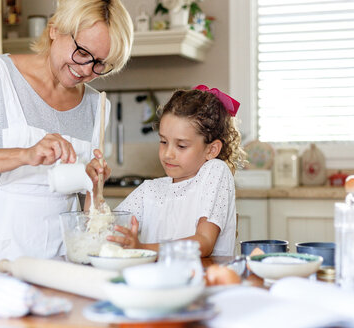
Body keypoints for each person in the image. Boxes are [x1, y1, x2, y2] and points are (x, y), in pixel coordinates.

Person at [0, 0, 133, 274]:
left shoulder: (96, 106)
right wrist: (26, 154)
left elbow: (87, 207)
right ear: (55, 29)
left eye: (101, 63)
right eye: (82, 52)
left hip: (54, 263)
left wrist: (94, 185)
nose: (87, 69)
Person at [102, 85, 246, 257]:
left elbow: (204, 242)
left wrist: (142, 248)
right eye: (163, 142)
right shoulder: (150, 190)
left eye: (181, 145)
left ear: (211, 150)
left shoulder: (215, 171)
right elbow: (105, 230)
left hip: (205, 280)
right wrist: (93, 187)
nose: (168, 154)